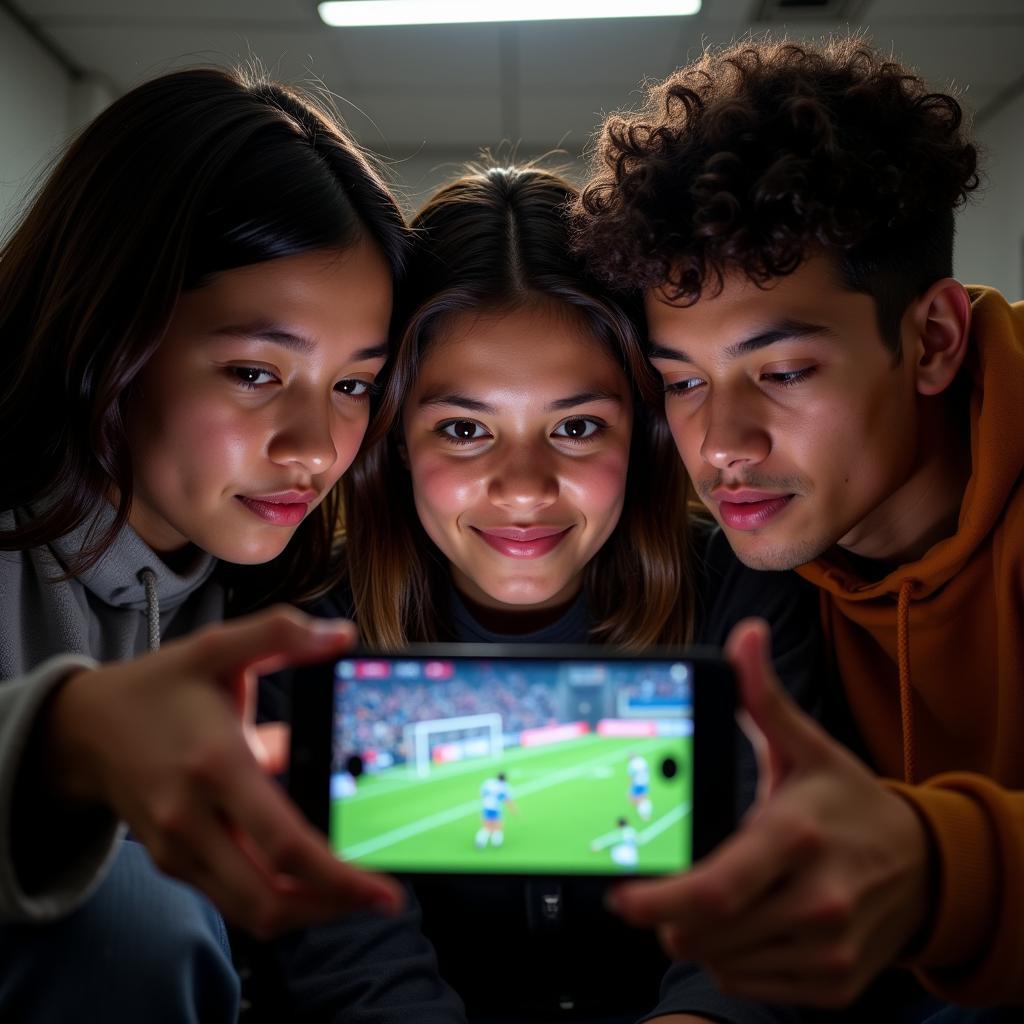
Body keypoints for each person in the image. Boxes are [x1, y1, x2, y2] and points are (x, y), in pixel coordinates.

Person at [572, 35, 1024, 1018]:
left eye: (780, 372)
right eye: (682, 379)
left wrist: (944, 871)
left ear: (932, 340)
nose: (721, 442)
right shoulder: (738, 557)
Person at [0, 66, 462, 1023]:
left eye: (353, 385)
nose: (315, 448)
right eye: (256, 371)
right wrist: (61, 741)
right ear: (106, 332)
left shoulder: (299, 595)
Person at [315, 163, 823, 1023]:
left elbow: (771, 912)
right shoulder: (311, 628)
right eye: (465, 430)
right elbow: (350, 960)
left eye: (578, 427)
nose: (524, 488)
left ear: (645, 434)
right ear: (396, 439)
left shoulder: (748, 598)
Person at [476, 772, 518, 849]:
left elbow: (482, 793)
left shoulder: (488, 782)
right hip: (495, 809)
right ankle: (496, 842)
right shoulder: (504, 786)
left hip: (486, 807)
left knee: (487, 827)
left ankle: (480, 842)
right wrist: (513, 809)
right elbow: (507, 800)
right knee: (498, 827)